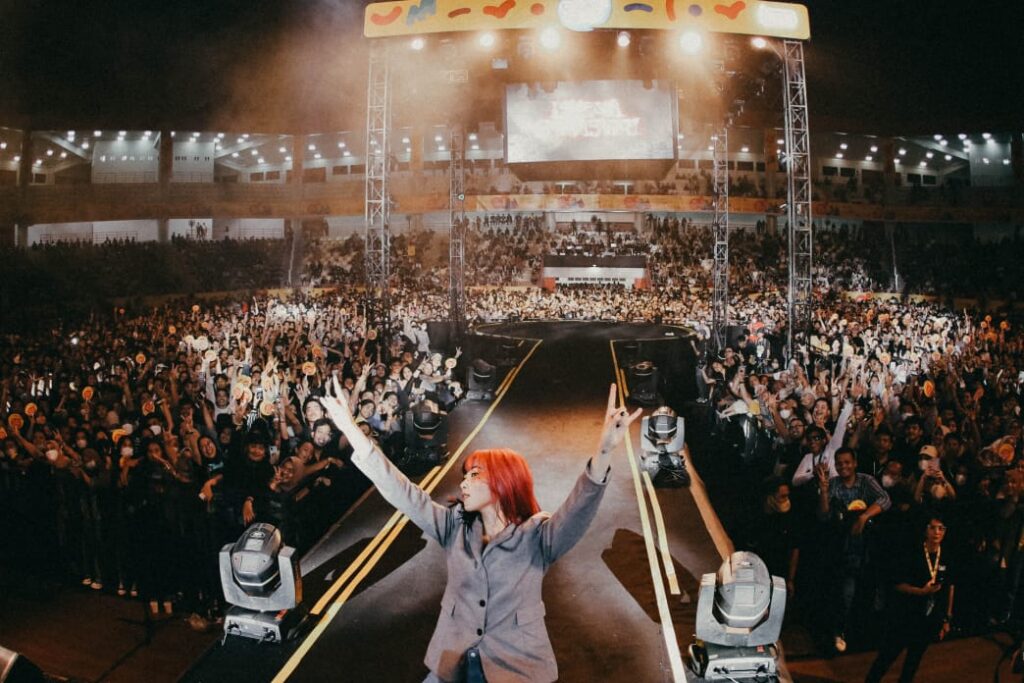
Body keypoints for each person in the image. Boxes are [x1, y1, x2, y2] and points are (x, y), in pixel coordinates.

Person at [319, 381, 640, 683]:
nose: (463, 483)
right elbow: (403, 492)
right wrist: (351, 429)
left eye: (474, 475)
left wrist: (603, 453)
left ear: (502, 483)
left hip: (516, 667)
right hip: (453, 662)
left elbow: (578, 510)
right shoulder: (453, 526)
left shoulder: (537, 537)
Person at [865, 516, 954, 683]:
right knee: (887, 655)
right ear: (925, 530)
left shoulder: (946, 554)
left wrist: (946, 618)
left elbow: (950, 586)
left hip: (928, 618)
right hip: (905, 614)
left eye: (941, 528)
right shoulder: (912, 552)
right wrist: (920, 592)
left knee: (914, 659)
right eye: (932, 528)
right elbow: (897, 584)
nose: (937, 532)